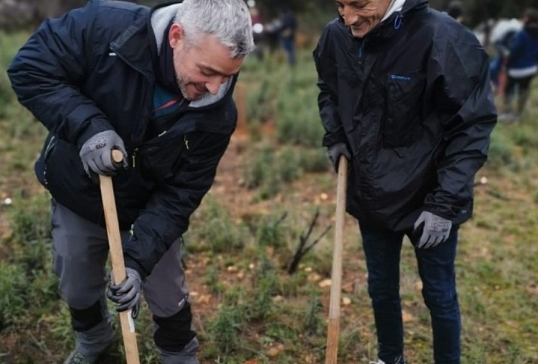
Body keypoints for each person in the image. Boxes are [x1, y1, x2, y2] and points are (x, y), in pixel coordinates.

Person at [7, 0, 254, 363]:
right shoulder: (104, 28)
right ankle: (93, 341)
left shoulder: (217, 115)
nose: (217, 88)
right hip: (80, 190)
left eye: (228, 76)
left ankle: (178, 354)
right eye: (207, 71)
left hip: (148, 208)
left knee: (167, 291)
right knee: (76, 282)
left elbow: (180, 195)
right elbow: (30, 69)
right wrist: (88, 126)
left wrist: (137, 261)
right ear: (176, 36)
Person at [313, 0, 497, 363]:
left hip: (430, 194)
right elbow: (330, 90)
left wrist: (444, 203)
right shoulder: (337, 36)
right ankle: (390, 357)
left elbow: (471, 125)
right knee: (381, 287)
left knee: (439, 293)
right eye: (340, 4)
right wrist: (335, 136)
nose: (347, 17)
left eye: (359, 4)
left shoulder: (442, 38)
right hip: (372, 191)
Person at [500, 8, 538, 121]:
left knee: (508, 90)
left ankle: (507, 113)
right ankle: (519, 115)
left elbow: (514, 52)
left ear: (528, 19)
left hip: (516, 69)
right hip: (531, 69)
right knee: (523, 91)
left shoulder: (522, 34)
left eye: (524, 18)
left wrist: (506, 66)